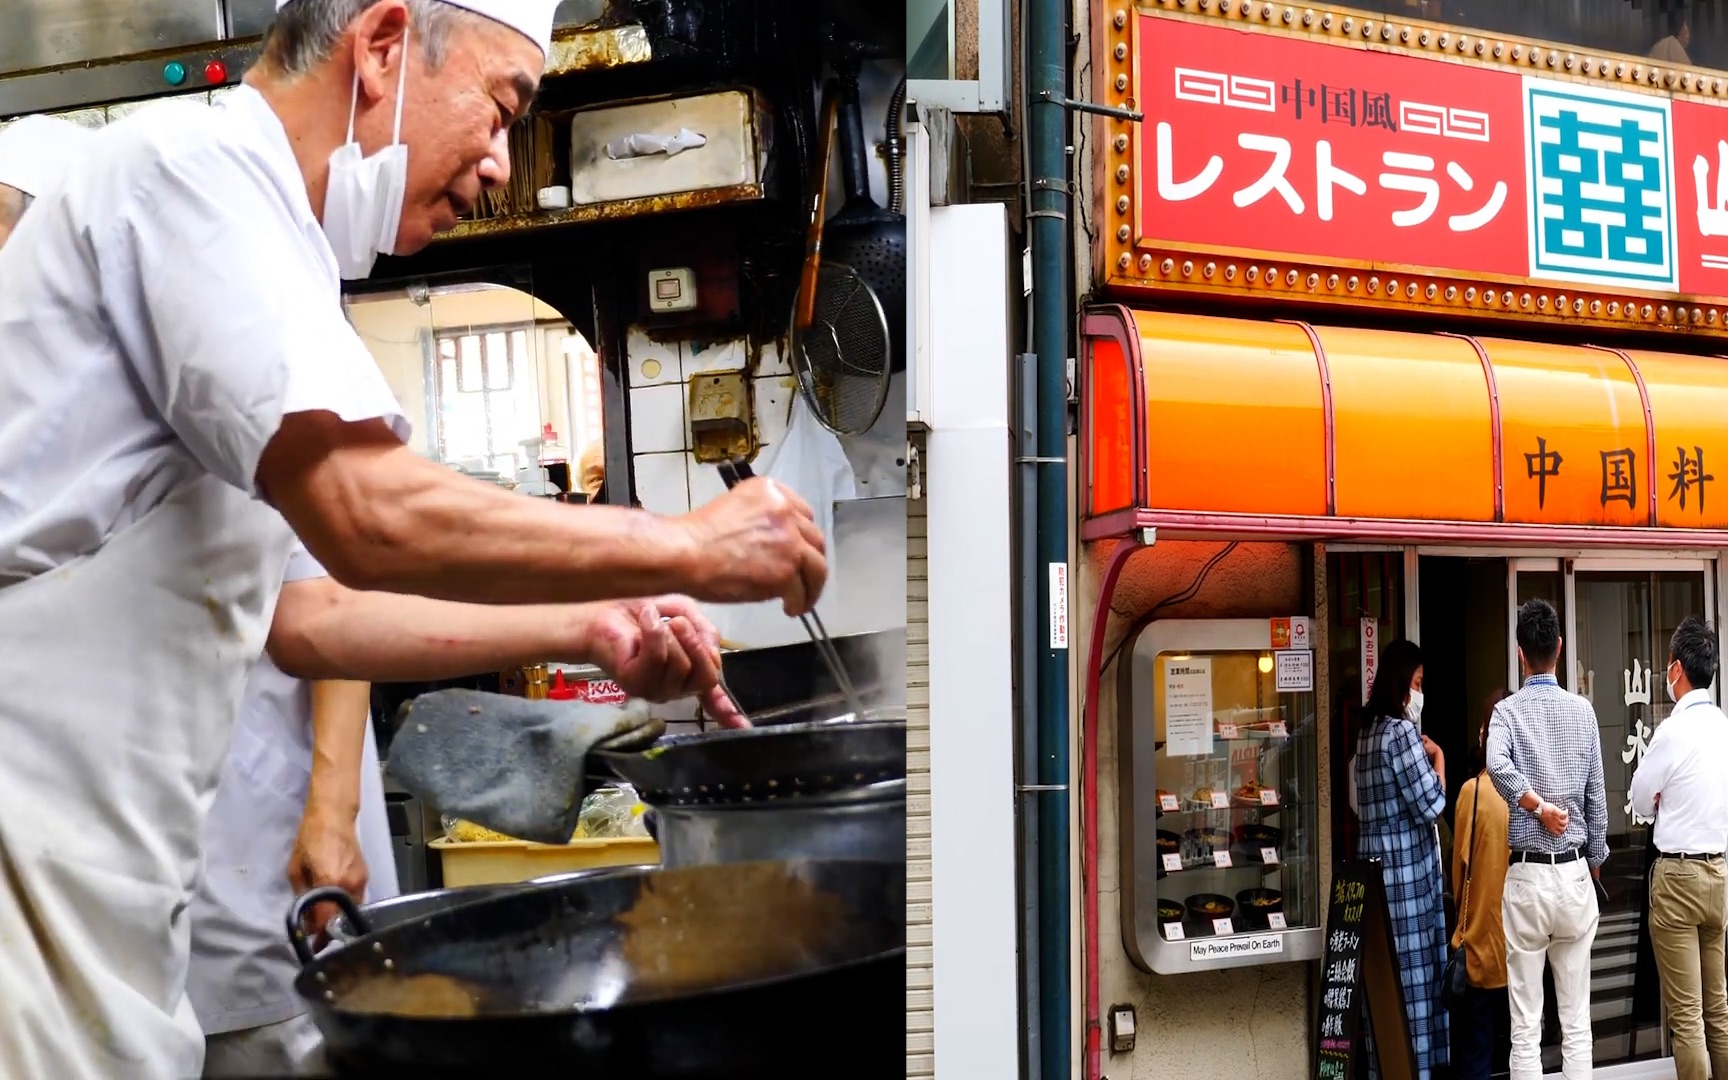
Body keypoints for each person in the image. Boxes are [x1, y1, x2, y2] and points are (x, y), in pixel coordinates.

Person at [0, 1, 831, 1076]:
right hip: (30, 828)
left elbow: (308, 615)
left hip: (105, 868)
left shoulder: (282, 259)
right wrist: (688, 544)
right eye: (501, 109)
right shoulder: (187, 176)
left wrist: (591, 626)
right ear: (385, 44)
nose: (499, 162)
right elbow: (368, 514)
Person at [1486, 598, 1607, 1080]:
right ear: (1559, 647)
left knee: (1525, 1025)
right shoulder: (1583, 712)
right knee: (1576, 1021)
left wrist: (1533, 804)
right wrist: (1594, 859)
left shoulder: (1506, 713)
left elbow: (1496, 764)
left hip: (1528, 876)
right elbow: (1597, 798)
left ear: (1521, 653)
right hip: (1575, 872)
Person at [1629, 616, 1728, 1080]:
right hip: (1719, 875)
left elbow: (1640, 797)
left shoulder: (1673, 730)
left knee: (1687, 1018)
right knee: (1719, 1010)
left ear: (1677, 669)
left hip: (1679, 877)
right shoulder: (1723, 727)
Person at [1354, 638, 1449, 1080]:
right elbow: (1431, 804)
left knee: (1385, 995)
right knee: (1413, 992)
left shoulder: (1367, 734)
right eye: (1417, 682)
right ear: (1401, 684)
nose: (1419, 691)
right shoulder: (1401, 733)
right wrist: (1440, 760)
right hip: (1407, 879)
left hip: (1373, 873)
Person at [1451, 689, 1512, 1080]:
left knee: (1476, 1057)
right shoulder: (1531, 797)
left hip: (1477, 949)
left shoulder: (1473, 794)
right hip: (1521, 951)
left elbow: (1459, 874)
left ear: (1485, 736)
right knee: (1521, 1055)